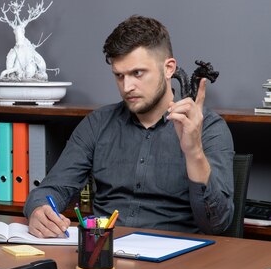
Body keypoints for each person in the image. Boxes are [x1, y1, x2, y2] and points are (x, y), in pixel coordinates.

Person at [25, 15, 234, 238]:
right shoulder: (97, 124)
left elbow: (217, 224)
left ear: (169, 68)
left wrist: (194, 153)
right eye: (119, 76)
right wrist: (39, 210)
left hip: (177, 260)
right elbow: (53, 188)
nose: (127, 87)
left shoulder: (209, 128)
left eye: (137, 73)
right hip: (104, 253)